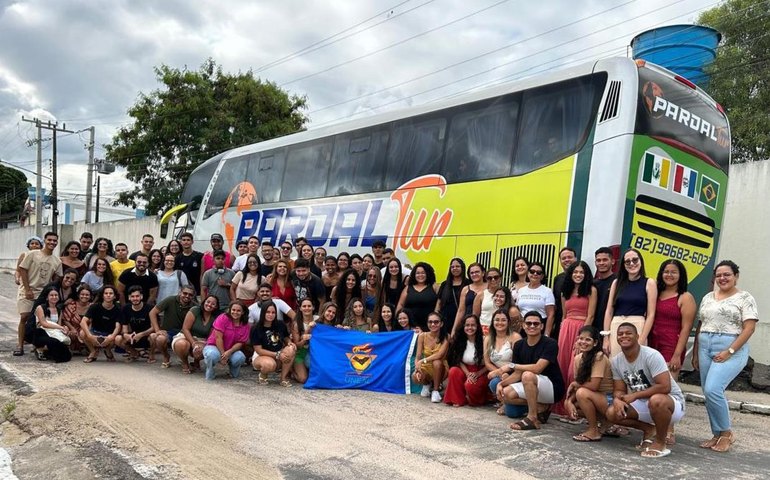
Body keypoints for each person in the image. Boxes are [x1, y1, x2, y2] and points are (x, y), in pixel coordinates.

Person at [692, 260, 758, 453]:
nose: (722, 278)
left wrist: (729, 351)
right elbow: (701, 325)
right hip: (705, 346)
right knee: (707, 391)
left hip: (730, 347)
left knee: (713, 389)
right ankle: (717, 434)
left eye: (727, 274)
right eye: (719, 275)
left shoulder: (745, 298)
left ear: (736, 276)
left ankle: (727, 433)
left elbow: (749, 328)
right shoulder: (708, 297)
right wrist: (696, 351)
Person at [605, 322, 685, 458]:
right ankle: (649, 429)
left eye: (628, 333)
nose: (624, 336)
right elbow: (619, 389)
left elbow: (665, 387)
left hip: (671, 404)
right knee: (612, 413)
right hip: (644, 403)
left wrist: (635, 396)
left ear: (637, 336)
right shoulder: (616, 361)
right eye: (620, 334)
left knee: (657, 400)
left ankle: (660, 442)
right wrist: (618, 399)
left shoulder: (651, 355)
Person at [500, 311, 564, 431]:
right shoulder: (519, 345)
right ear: (523, 325)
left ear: (541, 326)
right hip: (530, 384)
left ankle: (532, 418)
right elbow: (517, 373)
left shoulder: (550, 343)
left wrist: (513, 365)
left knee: (528, 375)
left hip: (552, 388)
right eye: (529, 323)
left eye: (536, 323)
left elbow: (537, 368)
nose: (532, 326)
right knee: (506, 394)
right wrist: (501, 384)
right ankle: (542, 407)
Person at [556, 261, 597, 413]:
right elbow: (564, 315)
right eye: (575, 272)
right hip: (566, 329)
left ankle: (574, 405)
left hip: (582, 329)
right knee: (563, 365)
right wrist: (562, 331)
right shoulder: (564, 291)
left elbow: (591, 315)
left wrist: (581, 338)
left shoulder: (591, 290)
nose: (578, 275)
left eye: (581, 272)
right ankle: (561, 405)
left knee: (575, 369)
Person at [603, 249, 657, 358]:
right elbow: (609, 311)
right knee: (614, 365)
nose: (632, 264)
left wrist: (641, 339)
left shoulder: (649, 283)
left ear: (641, 261)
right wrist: (606, 337)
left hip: (638, 327)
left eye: (635, 260)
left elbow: (651, 314)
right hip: (616, 328)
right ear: (623, 265)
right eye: (627, 261)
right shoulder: (616, 283)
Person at [564, 326, 615, 442]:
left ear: (595, 342)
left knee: (582, 393)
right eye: (581, 339)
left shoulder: (599, 357)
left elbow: (593, 386)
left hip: (608, 398)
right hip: (594, 396)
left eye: (588, 339)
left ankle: (593, 431)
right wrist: (569, 401)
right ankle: (605, 424)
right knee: (569, 403)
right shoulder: (578, 358)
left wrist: (575, 384)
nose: (583, 342)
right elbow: (580, 383)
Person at [16, 231, 62, 356]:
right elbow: (22, 270)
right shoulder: (32, 254)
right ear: (44, 240)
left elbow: (57, 277)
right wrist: (27, 289)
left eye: (54, 240)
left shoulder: (57, 261)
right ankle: (20, 345)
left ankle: (37, 345)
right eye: (49, 240)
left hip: (42, 295)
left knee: (39, 320)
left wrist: (50, 292)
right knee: (24, 317)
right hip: (27, 291)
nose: (52, 242)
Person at [444, 314, 489, 406]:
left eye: (473, 325)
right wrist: (467, 373)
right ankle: (458, 399)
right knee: (453, 371)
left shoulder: (485, 340)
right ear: (463, 326)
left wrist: (477, 374)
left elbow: (490, 363)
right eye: (467, 325)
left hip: (482, 371)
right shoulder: (460, 340)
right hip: (466, 369)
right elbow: (458, 360)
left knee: (470, 386)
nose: (470, 328)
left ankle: (474, 399)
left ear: (477, 326)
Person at [149, 284, 197, 367]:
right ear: (180, 292)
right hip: (169, 331)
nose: (187, 296)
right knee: (159, 338)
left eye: (190, 295)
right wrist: (157, 330)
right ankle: (166, 356)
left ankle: (186, 360)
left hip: (184, 333)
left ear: (193, 296)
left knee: (188, 343)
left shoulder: (195, 306)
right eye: (185, 293)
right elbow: (152, 313)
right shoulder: (170, 300)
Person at [251, 300, 297, 386]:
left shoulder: (280, 324)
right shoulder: (256, 328)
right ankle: (263, 374)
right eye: (268, 312)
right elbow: (259, 350)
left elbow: (286, 337)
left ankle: (283, 378)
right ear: (263, 312)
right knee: (269, 365)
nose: (270, 315)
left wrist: (289, 342)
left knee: (291, 349)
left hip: (279, 353)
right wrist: (278, 355)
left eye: (273, 312)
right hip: (261, 356)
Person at [485, 309, 522, 414]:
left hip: (515, 374)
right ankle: (504, 402)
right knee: (494, 383)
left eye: (503, 320)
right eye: (497, 320)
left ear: (508, 322)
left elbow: (518, 362)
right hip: (499, 374)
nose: (499, 323)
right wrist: (500, 373)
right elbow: (487, 362)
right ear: (492, 322)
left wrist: (504, 372)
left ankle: (532, 405)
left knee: (512, 413)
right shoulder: (488, 338)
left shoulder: (515, 337)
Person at [172, 295, 220, 374]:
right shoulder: (195, 310)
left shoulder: (215, 317)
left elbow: (211, 335)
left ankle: (196, 362)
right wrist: (193, 343)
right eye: (208, 302)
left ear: (216, 306)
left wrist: (204, 344)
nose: (209, 305)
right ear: (204, 302)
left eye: (213, 304)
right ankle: (185, 363)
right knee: (182, 345)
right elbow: (185, 329)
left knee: (203, 349)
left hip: (202, 339)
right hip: (185, 336)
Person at [202, 302, 250, 381]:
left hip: (231, 349)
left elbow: (240, 343)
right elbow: (218, 338)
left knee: (240, 357)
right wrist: (223, 354)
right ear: (230, 310)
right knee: (211, 355)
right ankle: (210, 373)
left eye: (238, 311)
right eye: (233, 310)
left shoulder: (245, 324)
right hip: (215, 346)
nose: (235, 312)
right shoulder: (223, 318)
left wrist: (229, 352)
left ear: (243, 312)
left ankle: (233, 373)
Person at [412, 311, 449, 403]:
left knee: (437, 362)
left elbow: (439, 355)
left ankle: (435, 390)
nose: (433, 324)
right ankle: (426, 384)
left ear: (441, 324)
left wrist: (422, 361)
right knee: (415, 377)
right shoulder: (422, 336)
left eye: (436, 322)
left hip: (441, 367)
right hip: (426, 366)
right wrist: (417, 367)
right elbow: (418, 356)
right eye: (430, 322)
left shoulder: (446, 336)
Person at [80, 285, 122, 363]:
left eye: (111, 293)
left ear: (115, 296)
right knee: (82, 333)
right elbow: (83, 322)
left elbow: (118, 327)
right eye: (106, 293)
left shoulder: (118, 309)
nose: (108, 295)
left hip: (109, 335)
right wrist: (90, 335)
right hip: (95, 333)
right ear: (102, 295)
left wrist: (111, 337)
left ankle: (108, 350)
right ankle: (93, 351)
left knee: (116, 338)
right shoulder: (94, 307)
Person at [516, 262, 556, 337]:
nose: (535, 274)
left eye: (539, 272)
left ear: (542, 276)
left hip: (538, 326)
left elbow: (551, 314)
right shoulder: (521, 290)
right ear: (528, 273)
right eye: (532, 271)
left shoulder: (547, 291)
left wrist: (546, 334)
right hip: (523, 327)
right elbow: (518, 310)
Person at [32, 287, 72, 363]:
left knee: (67, 355)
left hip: (53, 333)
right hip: (41, 333)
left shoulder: (59, 310)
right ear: (47, 297)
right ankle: (40, 349)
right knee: (54, 343)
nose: (54, 297)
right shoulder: (40, 308)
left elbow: (58, 325)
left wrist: (64, 329)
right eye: (51, 295)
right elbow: (44, 324)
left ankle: (47, 350)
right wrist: (60, 327)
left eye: (56, 295)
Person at [115, 285, 154, 362]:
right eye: (132, 296)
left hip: (147, 336)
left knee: (154, 336)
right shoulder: (126, 308)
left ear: (141, 296)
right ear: (129, 297)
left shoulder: (149, 308)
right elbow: (124, 328)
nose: (135, 298)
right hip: (133, 336)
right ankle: (134, 353)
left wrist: (141, 334)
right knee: (118, 339)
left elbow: (154, 327)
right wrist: (126, 335)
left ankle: (151, 355)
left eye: (137, 296)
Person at [397, 262, 439, 332]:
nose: (420, 275)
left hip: (430, 326)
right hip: (411, 327)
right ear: (414, 275)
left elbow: (439, 303)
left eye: (423, 273)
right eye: (418, 273)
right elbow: (400, 305)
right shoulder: (408, 288)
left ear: (427, 274)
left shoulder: (434, 286)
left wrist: (435, 319)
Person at [437, 258, 469, 335]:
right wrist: (436, 318)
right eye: (452, 267)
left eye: (457, 266)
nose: (455, 268)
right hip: (445, 320)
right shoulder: (445, 284)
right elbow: (439, 303)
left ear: (462, 268)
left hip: (462, 320)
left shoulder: (468, 283)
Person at [551, 247, 577, 341]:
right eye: (563, 258)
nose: (566, 260)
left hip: (577, 324)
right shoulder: (557, 279)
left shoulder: (583, 278)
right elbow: (556, 303)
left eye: (569, 257)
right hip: (560, 324)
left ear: (576, 259)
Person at [454, 263, 486, 336]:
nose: (474, 274)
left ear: (483, 273)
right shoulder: (466, 289)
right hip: (469, 326)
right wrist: (454, 329)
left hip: (485, 324)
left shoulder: (490, 287)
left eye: (477, 272)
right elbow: (461, 311)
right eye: (472, 273)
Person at [471, 267, 503, 335]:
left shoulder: (506, 293)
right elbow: (475, 316)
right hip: (484, 329)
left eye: (496, 277)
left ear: (500, 278)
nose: (493, 279)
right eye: (489, 278)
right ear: (486, 279)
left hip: (501, 329)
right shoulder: (481, 295)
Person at [292, 298, 316, 382]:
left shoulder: (318, 319)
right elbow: (297, 345)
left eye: (309, 306)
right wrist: (307, 330)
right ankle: (292, 370)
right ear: (300, 308)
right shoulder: (296, 324)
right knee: (303, 379)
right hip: (301, 353)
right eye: (304, 306)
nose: (307, 308)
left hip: (315, 352)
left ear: (313, 307)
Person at [593, 247, 616, 332]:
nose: (601, 263)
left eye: (605, 260)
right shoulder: (592, 283)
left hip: (611, 328)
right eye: (598, 260)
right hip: (593, 329)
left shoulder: (618, 281)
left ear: (612, 261)